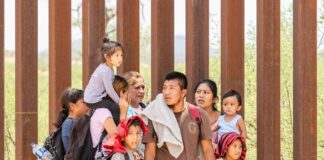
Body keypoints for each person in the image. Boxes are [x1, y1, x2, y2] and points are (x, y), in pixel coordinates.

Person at [142, 71, 215, 160]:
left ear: (183, 92)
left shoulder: (199, 114)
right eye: (164, 88)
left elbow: (207, 149)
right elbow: (150, 151)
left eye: (171, 88)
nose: (166, 92)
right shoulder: (155, 115)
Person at [84, 38, 125, 125]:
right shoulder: (105, 71)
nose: (120, 59)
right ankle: (114, 129)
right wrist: (119, 101)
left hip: (98, 96)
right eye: (117, 55)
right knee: (115, 108)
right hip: (93, 99)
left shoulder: (108, 68)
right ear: (107, 57)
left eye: (121, 55)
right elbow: (109, 89)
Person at [90, 75, 129, 158]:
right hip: (105, 156)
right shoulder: (103, 112)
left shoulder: (107, 109)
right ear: (121, 93)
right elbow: (118, 138)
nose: (128, 96)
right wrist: (123, 113)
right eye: (127, 92)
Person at [54, 88, 89, 152]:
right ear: (72, 106)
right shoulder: (69, 124)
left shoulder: (79, 121)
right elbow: (71, 152)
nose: (87, 105)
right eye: (84, 102)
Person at [194, 79, 221, 147]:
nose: (201, 95)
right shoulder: (188, 117)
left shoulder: (222, 119)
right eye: (198, 92)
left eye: (206, 92)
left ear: (214, 99)